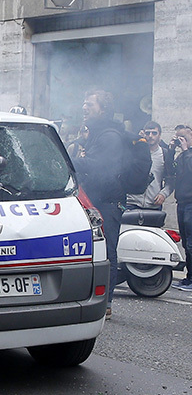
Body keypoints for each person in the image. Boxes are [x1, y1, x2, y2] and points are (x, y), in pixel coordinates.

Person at [72, 90, 125, 320]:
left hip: (107, 204)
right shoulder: (95, 134)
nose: (84, 107)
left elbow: (97, 166)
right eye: (84, 102)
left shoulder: (109, 136)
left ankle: (107, 303)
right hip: (93, 201)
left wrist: (70, 160)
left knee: (107, 253)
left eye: (90, 104)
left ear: (102, 109)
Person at [126, 121, 174, 210]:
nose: (150, 136)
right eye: (147, 133)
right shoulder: (134, 151)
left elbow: (171, 179)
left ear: (159, 135)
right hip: (132, 203)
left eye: (154, 133)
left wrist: (163, 194)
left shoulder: (165, 154)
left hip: (153, 203)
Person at [171, 126, 192, 291]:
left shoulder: (189, 155)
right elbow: (171, 170)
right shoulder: (182, 155)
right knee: (186, 242)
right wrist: (172, 150)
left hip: (191, 204)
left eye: (183, 137)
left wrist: (186, 150)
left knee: (191, 243)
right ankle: (189, 277)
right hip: (182, 202)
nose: (180, 141)